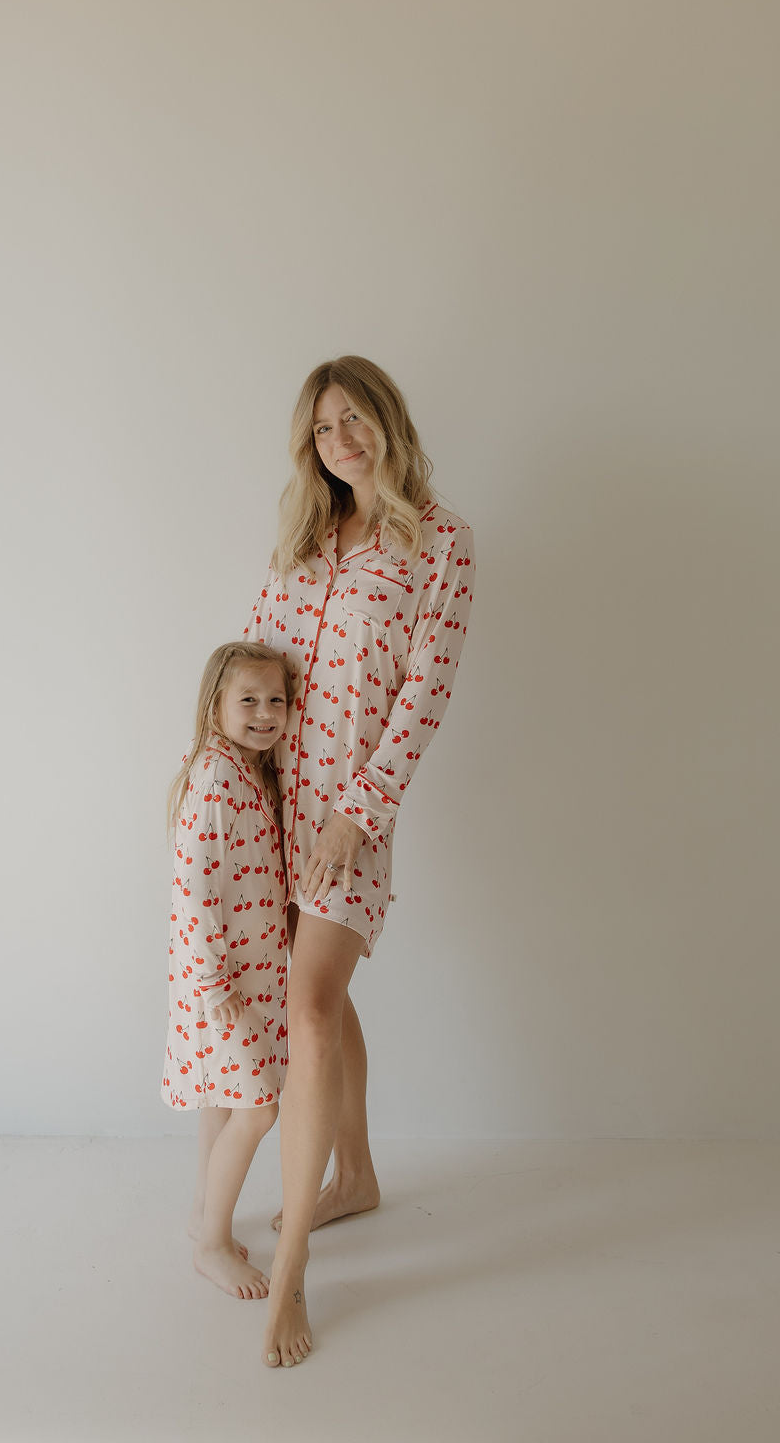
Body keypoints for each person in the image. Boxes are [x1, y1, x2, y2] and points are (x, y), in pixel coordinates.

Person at [244, 356, 474, 1367]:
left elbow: (424, 699)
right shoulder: (303, 542)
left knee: (306, 1011)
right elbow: (255, 661)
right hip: (270, 806)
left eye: (353, 418)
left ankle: (289, 1270)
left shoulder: (440, 545)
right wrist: (223, 776)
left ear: (385, 419)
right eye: (321, 427)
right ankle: (358, 1176)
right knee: (323, 1001)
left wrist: (361, 811)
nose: (340, 438)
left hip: (349, 817)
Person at [162, 641, 296, 1299]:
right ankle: (213, 1244)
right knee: (258, 1107)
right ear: (215, 707)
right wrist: (216, 988)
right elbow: (194, 889)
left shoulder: (246, 772)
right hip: (222, 985)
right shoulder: (214, 780)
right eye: (248, 700)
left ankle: (202, 1215)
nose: (265, 713)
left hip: (246, 976)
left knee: (223, 1098)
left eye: (276, 700)